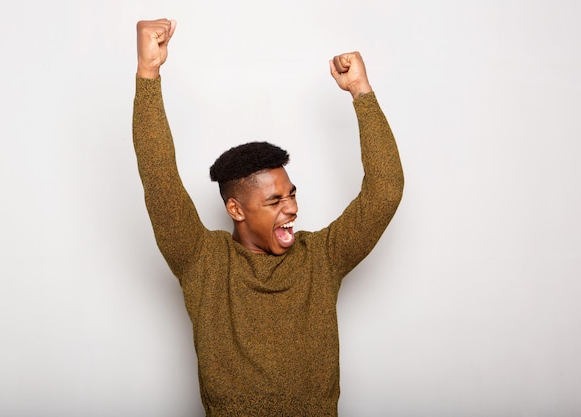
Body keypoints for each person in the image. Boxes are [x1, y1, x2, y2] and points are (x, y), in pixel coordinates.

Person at [133, 18, 404, 417]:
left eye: (291, 194)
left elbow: (385, 191)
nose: (292, 207)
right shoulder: (203, 262)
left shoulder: (321, 257)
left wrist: (361, 93)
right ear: (236, 209)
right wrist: (148, 74)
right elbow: (160, 180)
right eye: (275, 200)